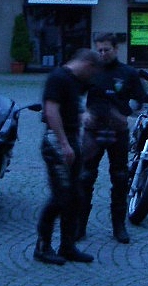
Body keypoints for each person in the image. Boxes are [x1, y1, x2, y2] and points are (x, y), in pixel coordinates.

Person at [78, 34, 146, 245]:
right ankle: (80, 225)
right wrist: (83, 113)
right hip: (93, 131)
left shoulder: (128, 73)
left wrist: (126, 113)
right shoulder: (90, 71)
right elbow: (74, 94)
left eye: (106, 50)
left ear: (116, 49)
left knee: (120, 178)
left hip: (118, 132)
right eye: (99, 50)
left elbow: (140, 100)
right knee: (85, 177)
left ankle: (119, 226)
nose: (102, 54)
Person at [35, 48, 100, 265]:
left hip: (71, 140)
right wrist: (63, 143)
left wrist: (84, 115)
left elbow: (73, 108)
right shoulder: (58, 78)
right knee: (60, 197)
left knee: (75, 197)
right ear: (88, 65)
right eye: (92, 73)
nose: (91, 78)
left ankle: (67, 246)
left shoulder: (73, 81)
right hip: (57, 142)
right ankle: (42, 247)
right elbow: (51, 111)